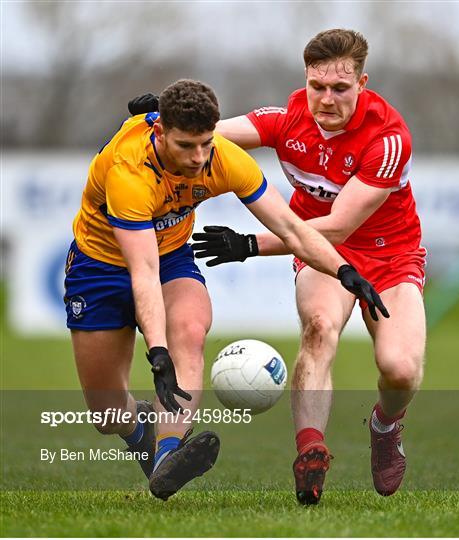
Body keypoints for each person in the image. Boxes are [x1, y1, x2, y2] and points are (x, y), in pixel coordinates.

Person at [129, 28, 426, 505]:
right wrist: (157, 120)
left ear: (362, 83)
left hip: (389, 255)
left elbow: (335, 228)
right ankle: (311, 451)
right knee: (319, 327)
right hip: (317, 255)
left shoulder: (389, 139)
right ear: (306, 81)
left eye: (340, 89)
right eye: (317, 86)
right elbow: (204, 133)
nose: (325, 99)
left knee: (400, 370)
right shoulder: (287, 119)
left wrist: (248, 242)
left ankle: (385, 426)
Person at [65, 79, 388, 501]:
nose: (199, 157)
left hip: (171, 258)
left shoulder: (224, 158)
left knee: (190, 329)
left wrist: (344, 270)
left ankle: (167, 454)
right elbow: (140, 272)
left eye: (205, 143)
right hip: (101, 268)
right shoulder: (129, 174)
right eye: (186, 146)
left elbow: (290, 228)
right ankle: (142, 428)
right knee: (107, 414)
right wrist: (156, 353)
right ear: (160, 133)